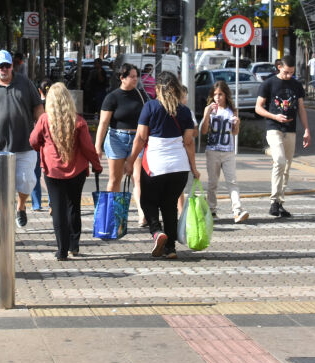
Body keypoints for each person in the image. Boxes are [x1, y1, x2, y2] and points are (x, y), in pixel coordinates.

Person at [125, 72, 199, 259]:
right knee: (169, 205)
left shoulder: (150, 107)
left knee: (147, 202)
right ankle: (171, 248)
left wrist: (130, 160)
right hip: (179, 167)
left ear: (158, 88)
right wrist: (194, 168)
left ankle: (157, 232)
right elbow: (189, 142)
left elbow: (141, 137)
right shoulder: (184, 111)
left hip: (155, 166)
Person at [30, 83, 102, 260]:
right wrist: (96, 165)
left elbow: (32, 141)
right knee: (74, 206)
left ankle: (61, 250)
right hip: (76, 171)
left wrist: (43, 147)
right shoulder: (78, 121)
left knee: (58, 208)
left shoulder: (45, 120)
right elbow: (88, 147)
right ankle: (74, 245)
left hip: (53, 171)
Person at [0, 49, 44, 228]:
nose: (4, 69)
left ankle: (21, 206)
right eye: (0, 66)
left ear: (12, 66)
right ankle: (4, 221)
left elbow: (38, 107)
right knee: (0, 188)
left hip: (24, 145)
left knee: (27, 181)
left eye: (7, 65)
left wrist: (42, 127)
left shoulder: (25, 83)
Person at [255, 55, 310, 218]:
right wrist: (274, 116)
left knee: (286, 168)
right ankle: (273, 200)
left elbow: (301, 108)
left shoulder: (296, 85)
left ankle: (279, 202)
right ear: (279, 67)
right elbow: (258, 107)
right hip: (274, 128)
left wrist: (307, 130)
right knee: (279, 161)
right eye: (286, 72)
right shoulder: (268, 83)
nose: (288, 76)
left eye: (292, 73)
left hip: (291, 129)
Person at [94, 63, 146, 222]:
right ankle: (111, 217)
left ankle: (142, 213)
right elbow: (103, 123)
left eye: (136, 76)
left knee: (138, 178)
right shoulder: (112, 97)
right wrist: (98, 146)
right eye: (132, 76)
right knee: (115, 179)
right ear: (122, 78)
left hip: (137, 139)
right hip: (116, 138)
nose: (135, 79)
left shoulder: (142, 95)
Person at [201, 80, 248, 223]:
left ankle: (237, 210)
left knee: (232, 181)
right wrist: (206, 115)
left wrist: (237, 124)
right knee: (212, 183)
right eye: (215, 94)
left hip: (228, 151)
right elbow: (203, 131)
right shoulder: (209, 109)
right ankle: (211, 209)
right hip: (213, 150)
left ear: (226, 95)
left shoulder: (232, 110)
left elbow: (234, 133)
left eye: (220, 94)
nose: (217, 97)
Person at [31, 78, 52, 212]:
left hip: (37, 143)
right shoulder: (54, 105)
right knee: (50, 173)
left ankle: (36, 204)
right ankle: (52, 202)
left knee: (35, 174)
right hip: (50, 143)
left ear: (39, 91)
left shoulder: (36, 105)